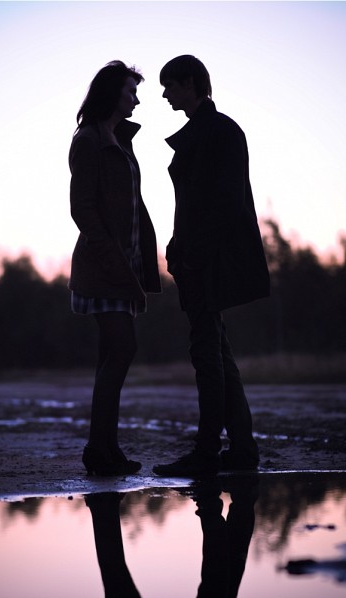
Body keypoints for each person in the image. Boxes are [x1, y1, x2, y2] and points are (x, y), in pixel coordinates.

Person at [153, 55, 270, 477]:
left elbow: (224, 204)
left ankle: (207, 452)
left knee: (207, 353)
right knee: (216, 350)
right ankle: (241, 448)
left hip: (209, 261)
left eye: (169, 85)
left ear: (190, 83)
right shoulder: (213, 131)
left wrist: (190, 252)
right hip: (200, 257)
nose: (164, 95)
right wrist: (179, 246)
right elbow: (199, 204)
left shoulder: (220, 131)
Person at [69, 61, 161, 476]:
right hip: (104, 267)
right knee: (123, 349)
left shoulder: (119, 140)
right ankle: (99, 448)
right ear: (112, 93)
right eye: (131, 91)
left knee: (111, 355)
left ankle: (107, 450)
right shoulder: (88, 140)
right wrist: (112, 258)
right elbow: (82, 209)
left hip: (124, 264)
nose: (136, 100)